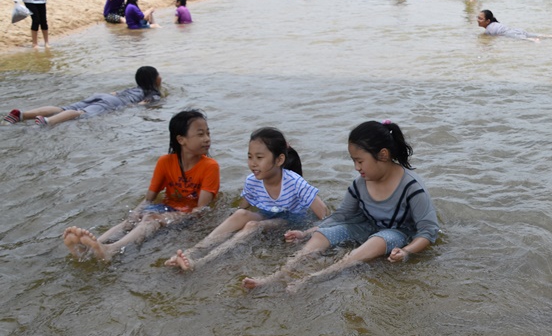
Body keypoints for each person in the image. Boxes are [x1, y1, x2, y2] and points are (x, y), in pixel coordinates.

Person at [242, 120, 439, 291]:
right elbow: (342, 216)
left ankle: (314, 279)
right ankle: (276, 276)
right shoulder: (360, 184)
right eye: (354, 161)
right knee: (321, 234)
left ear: (383, 155)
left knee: (378, 240)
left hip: (398, 233)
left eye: (360, 161)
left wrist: (406, 251)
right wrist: (307, 232)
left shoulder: (412, 188)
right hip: (363, 226)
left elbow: (428, 231)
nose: (356, 167)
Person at [62, 109, 219, 261]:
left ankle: (112, 250)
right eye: (200, 134)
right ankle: (91, 247)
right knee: (133, 219)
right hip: (167, 207)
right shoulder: (164, 162)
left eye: (208, 133)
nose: (207, 138)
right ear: (181, 140)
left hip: (188, 216)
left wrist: (165, 218)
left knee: (151, 218)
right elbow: (149, 199)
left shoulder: (210, 166)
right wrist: (135, 213)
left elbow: (200, 210)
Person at [166, 127, 330, 271]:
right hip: (268, 213)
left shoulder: (295, 183)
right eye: (250, 157)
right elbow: (241, 208)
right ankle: (190, 253)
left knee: (252, 225)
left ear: (279, 160)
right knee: (239, 216)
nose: (253, 163)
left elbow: (325, 214)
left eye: (259, 158)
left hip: (292, 220)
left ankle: (203, 262)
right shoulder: (252, 181)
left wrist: (308, 232)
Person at [3, 66, 162, 127]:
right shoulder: (153, 94)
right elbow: (142, 105)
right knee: (81, 114)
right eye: (158, 74)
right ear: (154, 79)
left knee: (65, 108)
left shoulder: (132, 87)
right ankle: (48, 121)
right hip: (114, 102)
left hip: (104, 95)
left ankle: (21, 115)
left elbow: (115, 93)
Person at [476, 9, 552, 41]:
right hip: (516, 30)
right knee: (539, 35)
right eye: (478, 17)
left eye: (480, 18)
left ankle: (535, 41)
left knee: (531, 40)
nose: (478, 20)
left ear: (488, 21)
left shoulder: (488, 30)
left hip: (511, 34)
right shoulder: (495, 24)